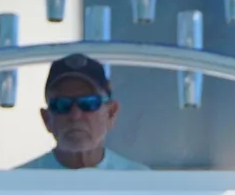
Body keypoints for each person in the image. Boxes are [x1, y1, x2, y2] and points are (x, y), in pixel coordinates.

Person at [20, 51, 148, 171]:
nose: (75, 115)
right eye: (61, 105)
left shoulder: (142, 183)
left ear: (111, 113)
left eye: (89, 103)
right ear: (47, 119)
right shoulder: (17, 185)